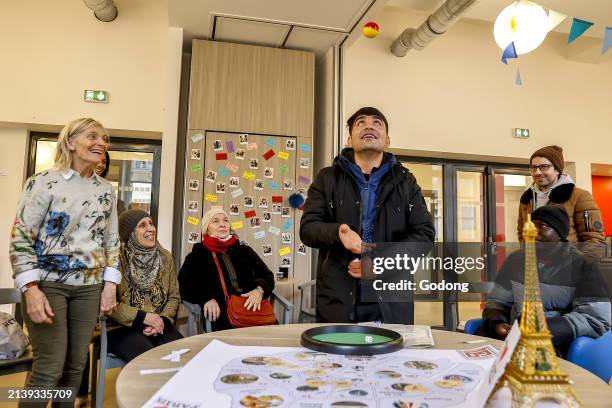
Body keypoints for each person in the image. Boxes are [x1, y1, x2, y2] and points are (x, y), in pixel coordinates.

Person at [9, 118, 120, 407]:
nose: (101, 143)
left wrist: (110, 286)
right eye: (92, 136)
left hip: (89, 287)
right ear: (70, 142)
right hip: (47, 285)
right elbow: (21, 238)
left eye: (105, 138)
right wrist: (30, 289)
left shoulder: (106, 189)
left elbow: (111, 242)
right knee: (49, 368)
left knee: (75, 367)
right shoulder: (43, 182)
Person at [300, 107, 435, 324]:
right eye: (360, 123)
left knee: (390, 357)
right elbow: (308, 229)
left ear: (387, 140)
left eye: (377, 122)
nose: (369, 126)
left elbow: (424, 236)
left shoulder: (406, 182)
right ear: (349, 139)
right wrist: (337, 232)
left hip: (391, 300)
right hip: (339, 299)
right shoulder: (327, 178)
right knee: (337, 357)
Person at [483, 205, 611, 354]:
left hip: (555, 346)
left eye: (543, 226)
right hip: (511, 342)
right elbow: (497, 302)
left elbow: (596, 318)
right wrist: (496, 323)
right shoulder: (514, 260)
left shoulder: (582, 265)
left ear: (560, 234)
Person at [178, 208, 275, 331]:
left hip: (255, 311)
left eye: (225, 221)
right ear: (206, 229)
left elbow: (267, 276)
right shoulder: (197, 255)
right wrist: (206, 299)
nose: (222, 224)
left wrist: (259, 291)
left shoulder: (245, 251)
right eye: (215, 221)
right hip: (221, 316)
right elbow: (184, 285)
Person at [107, 210, 182, 362]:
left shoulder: (165, 257)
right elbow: (110, 304)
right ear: (130, 234)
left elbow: (174, 296)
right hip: (122, 328)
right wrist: (144, 318)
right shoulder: (117, 260)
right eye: (142, 225)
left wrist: (162, 320)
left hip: (160, 324)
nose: (151, 229)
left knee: (182, 354)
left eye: (151, 223)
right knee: (147, 358)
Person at [518, 145, 605, 259]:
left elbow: (595, 240)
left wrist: (578, 269)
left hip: (568, 269)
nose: (537, 172)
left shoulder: (579, 196)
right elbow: (521, 234)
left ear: (557, 169)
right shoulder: (526, 199)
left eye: (544, 167)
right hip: (535, 269)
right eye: (534, 167)